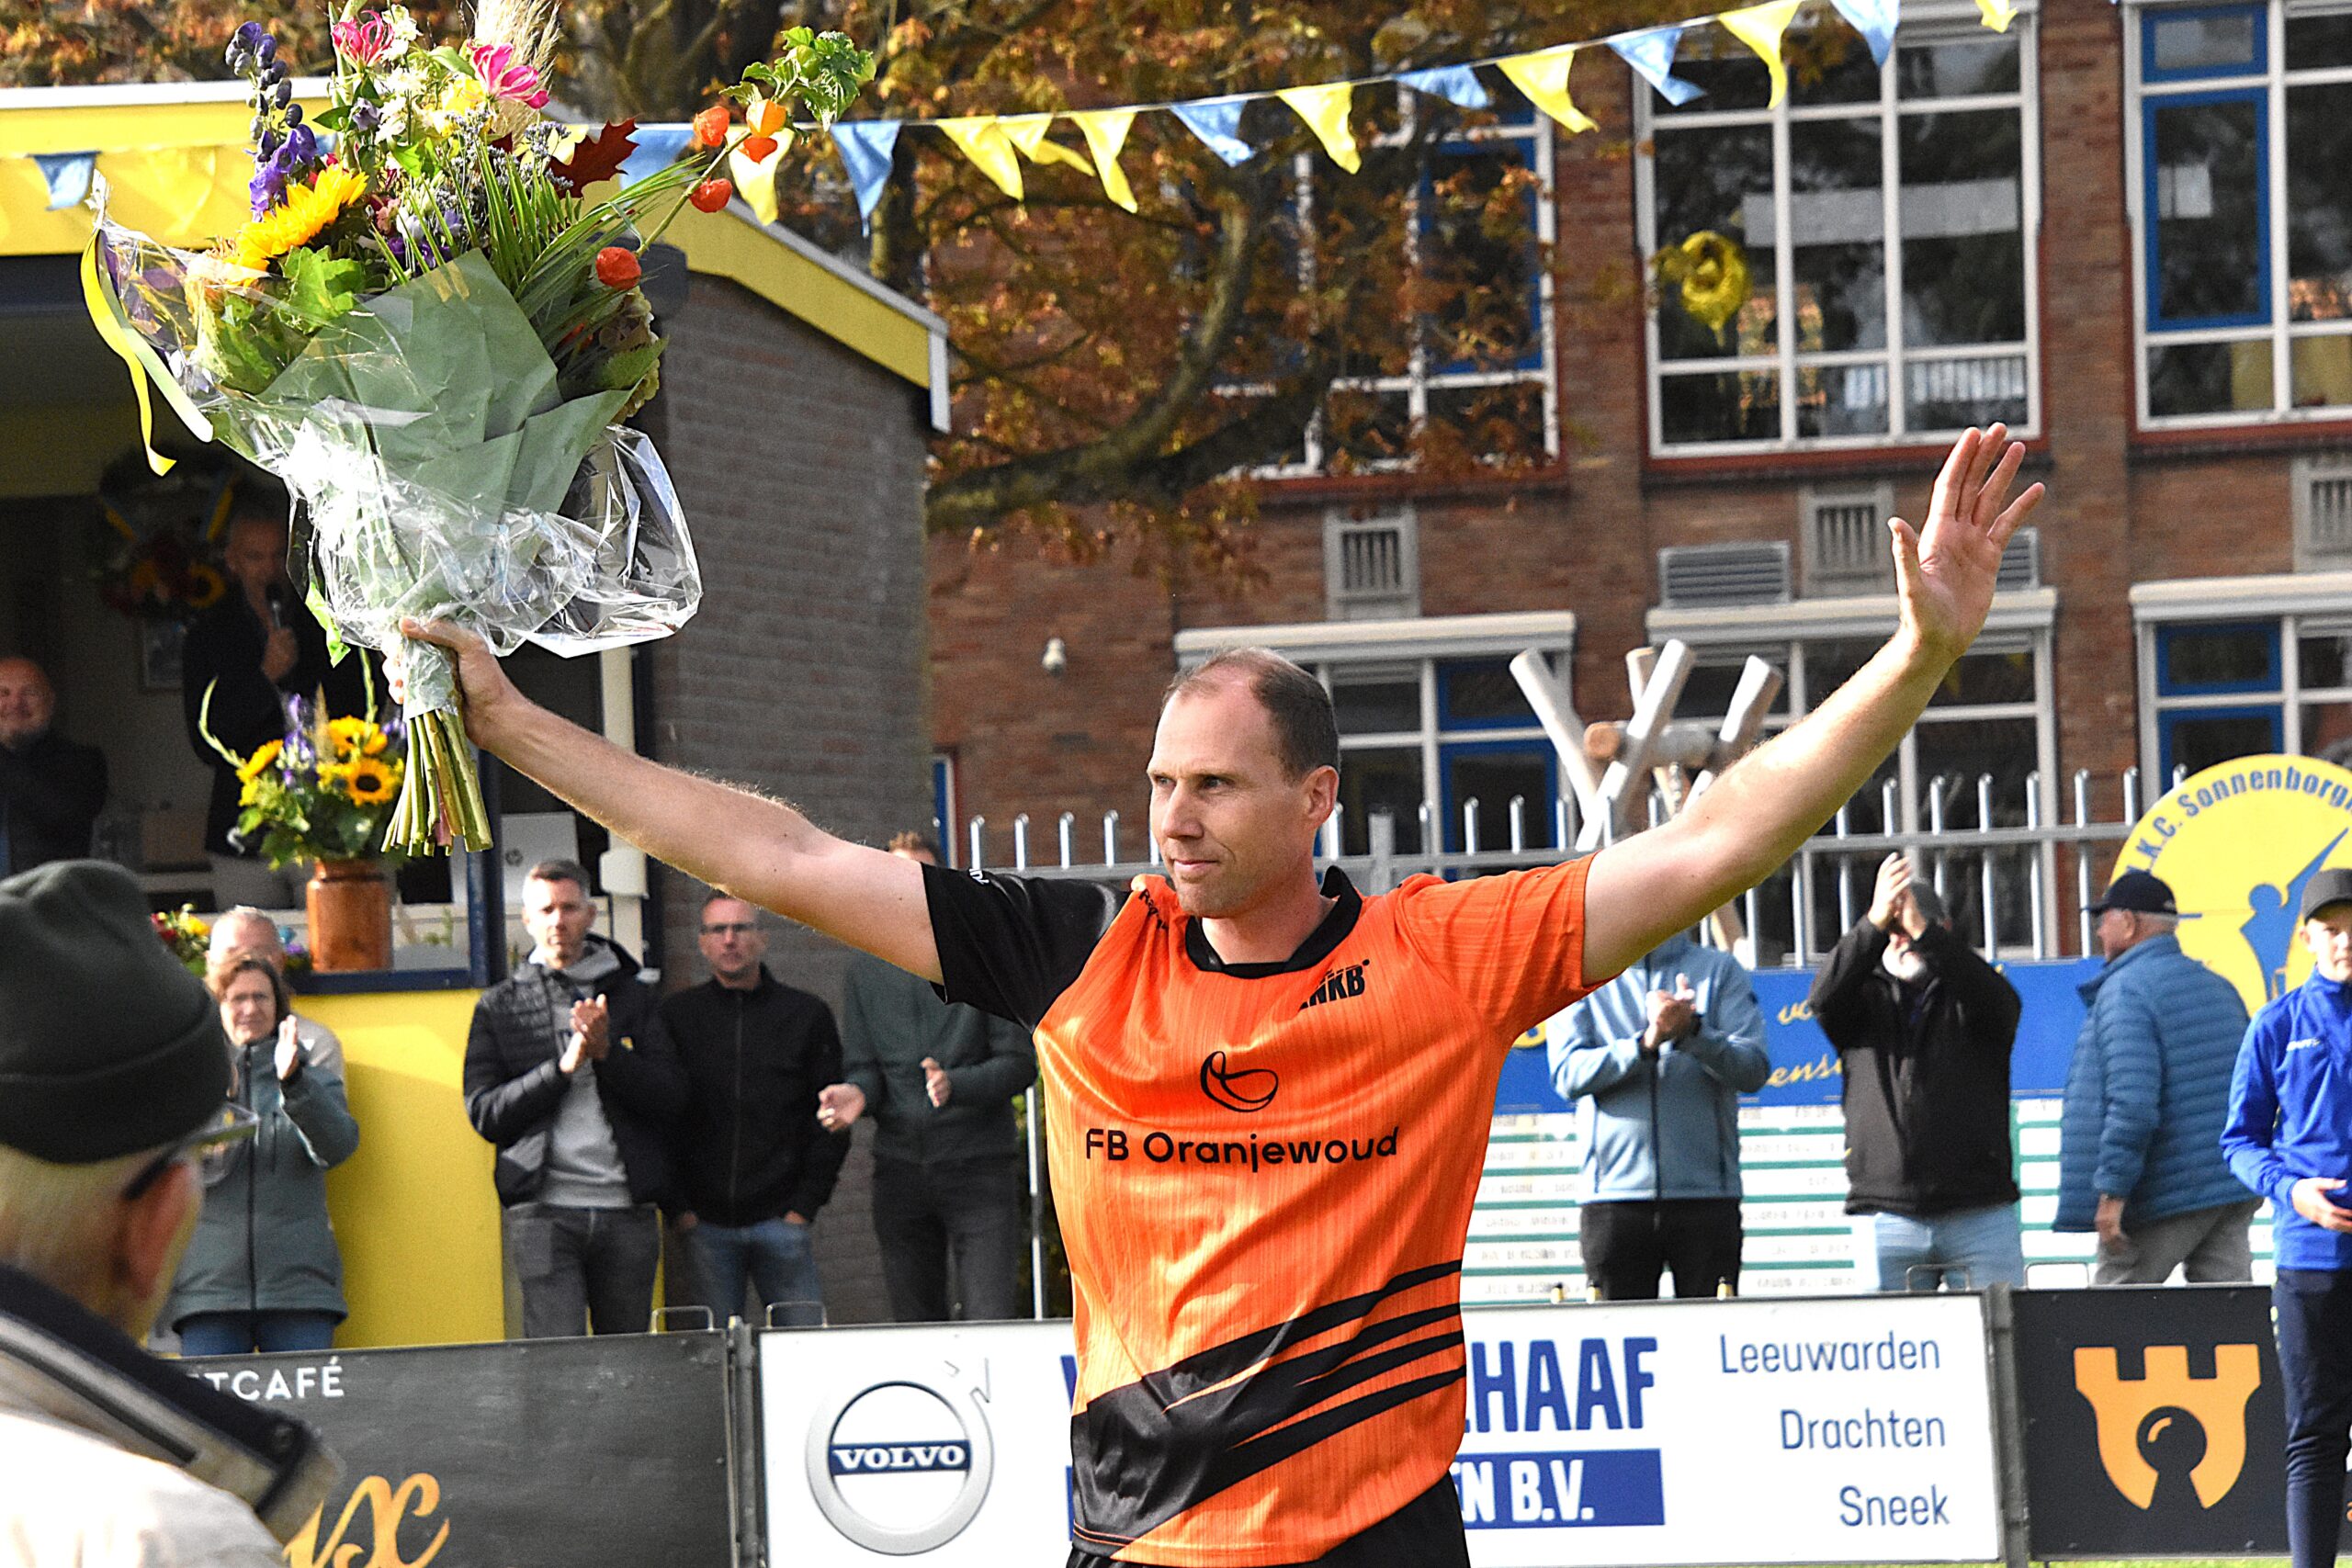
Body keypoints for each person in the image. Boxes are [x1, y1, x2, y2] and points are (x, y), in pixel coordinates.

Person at [395, 427, 2039, 1565]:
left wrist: (1915, 660)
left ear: (1316, 803)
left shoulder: (1445, 955)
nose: (1171, 817)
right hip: (1140, 1529)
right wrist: (517, 727)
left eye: (1215, 788)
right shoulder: (1075, 950)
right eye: (1160, 780)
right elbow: (780, 847)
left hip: (1378, 1534)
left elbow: (1714, 837)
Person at [0, 860, 334, 1564]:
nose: (249, 1009)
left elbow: (337, 1144)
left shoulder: (306, 1063)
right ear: (158, 1222)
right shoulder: (166, 1537)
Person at [820, 832, 1039, 1323]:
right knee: (914, 1328)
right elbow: (865, 1068)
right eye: (897, 875)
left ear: (944, 884)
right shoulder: (865, 970)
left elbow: (1020, 1062)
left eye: (923, 876)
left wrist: (955, 1085)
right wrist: (857, 1093)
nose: (909, 887)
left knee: (990, 1322)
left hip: (978, 1167)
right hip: (899, 1170)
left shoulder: (986, 960)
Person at [464, 859, 685, 1338]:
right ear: (526, 920)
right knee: (556, 1363)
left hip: (626, 1209)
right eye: (545, 910)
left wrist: (607, 1056)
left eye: (568, 908)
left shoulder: (636, 998)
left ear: (590, 915)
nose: (557, 921)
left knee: (625, 1362)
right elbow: (484, 1113)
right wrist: (561, 1070)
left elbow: (673, 1099)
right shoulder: (500, 1005)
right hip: (543, 1211)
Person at [1810, 852, 2024, 1292]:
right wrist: (1874, 921)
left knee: (2001, 1343)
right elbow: (1823, 998)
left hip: (1978, 1212)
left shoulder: (1971, 994)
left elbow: (2003, 1004)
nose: (1901, 940)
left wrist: (1922, 932)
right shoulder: (1861, 1001)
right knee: (1890, 1353)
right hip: (1886, 1215)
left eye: (1910, 930)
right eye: (1892, 933)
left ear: (1941, 931)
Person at [2224, 866, 2352, 1568]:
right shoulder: (2276, 1025)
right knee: (2316, 1434)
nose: (2344, 942)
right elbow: (2238, 1140)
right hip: (2310, 1262)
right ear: (2306, 938)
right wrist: (2292, 1190)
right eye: (2331, 929)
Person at [2054, 870, 2257, 1283]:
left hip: (2164, 1192)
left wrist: (2113, 1194)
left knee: (2112, 1323)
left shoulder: (2126, 991)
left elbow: (2132, 1103)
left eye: (2103, 919)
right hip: (2230, 1188)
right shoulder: (2219, 987)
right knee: (2229, 1322)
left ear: (2128, 923)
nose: (2097, 931)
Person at [1548, 930, 1770, 1300]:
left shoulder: (1720, 970)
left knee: (1709, 1345)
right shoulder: (1582, 977)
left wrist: (1694, 1032)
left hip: (1706, 1199)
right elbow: (1567, 1074)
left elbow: (1753, 1069)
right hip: (1614, 1200)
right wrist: (1643, 1044)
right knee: (1622, 1348)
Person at [662, 894, 849, 1327]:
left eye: (741, 928)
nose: (730, 940)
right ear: (702, 943)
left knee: (802, 1352)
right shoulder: (677, 1017)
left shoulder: (806, 1016)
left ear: (762, 939)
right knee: (716, 1359)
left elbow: (833, 1117)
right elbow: (661, 1117)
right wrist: (679, 1209)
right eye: (717, 930)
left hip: (783, 1222)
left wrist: (804, 1206)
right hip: (704, 1225)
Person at [166, 954, 360, 1355]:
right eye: (236, 998)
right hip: (208, 1294)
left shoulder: (314, 1078)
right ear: (216, 1008)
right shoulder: (187, 1085)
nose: (250, 1009)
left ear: (279, 1007)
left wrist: (294, 1083)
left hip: (299, 1293)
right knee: (210, 1418)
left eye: (261, 997)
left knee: (308, 1416)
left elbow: (337, 1148)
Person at [179, 500, 346, 908]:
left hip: (330, 821)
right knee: (250, 956)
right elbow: (206, 739)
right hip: (245, 832)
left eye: (278, 556)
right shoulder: (208, 636)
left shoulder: (327, 623)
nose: (269, 569)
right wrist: (265, 676)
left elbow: (359, 710)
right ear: (232, 561)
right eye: (255, 557)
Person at [0, 654, 107, 877]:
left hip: (50, 903)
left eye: (29, 693)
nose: (15, 704)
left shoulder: (82, 761)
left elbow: (64, 817)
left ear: (50, 702)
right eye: (3, 693)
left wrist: (8, 745)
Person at [208, 904, 345, 1074]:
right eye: (231, 954)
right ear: (209, 963)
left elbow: (326, 1100)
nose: (246, 963)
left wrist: (293, 1082)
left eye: (259, 954)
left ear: (281, 962)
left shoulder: (312, 1044)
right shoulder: (189, 1045)